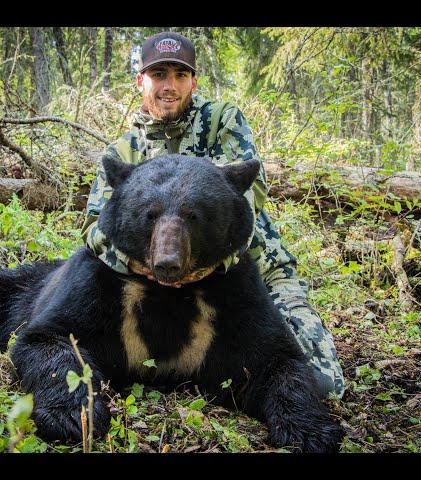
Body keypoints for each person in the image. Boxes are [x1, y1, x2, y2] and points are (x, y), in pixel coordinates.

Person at [80, 31, 344, 398]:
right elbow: (94, 228)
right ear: (141, 80)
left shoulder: (222, 122)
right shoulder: (124, 152)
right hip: (154, 283)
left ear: (194, 80)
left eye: (179, 75)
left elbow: (250, 192)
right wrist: (133, 262)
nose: (169, 86)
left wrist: (218, 261)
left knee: (321, 386)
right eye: (159, 75)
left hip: (247, 269)